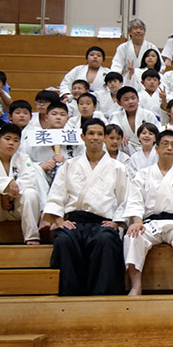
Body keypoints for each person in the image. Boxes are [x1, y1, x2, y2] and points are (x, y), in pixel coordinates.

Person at [43, 118, 128, 296]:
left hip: (102, 223)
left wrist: (117, 222)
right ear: (83, 136)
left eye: (99, 134)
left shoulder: (118, 167)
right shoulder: (69, 165)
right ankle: (69, 295)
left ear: (105, 138)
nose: (95, 138)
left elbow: (125, 199)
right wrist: (59, 220)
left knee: (106, 241)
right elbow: (57, 194)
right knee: (64, 241)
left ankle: (102, 296)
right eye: (91, 133)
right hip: (74, 221)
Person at [122, 130, 173, 295]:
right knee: (132, 236)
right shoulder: (142, 175)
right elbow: (135, 200)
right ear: (156, 148)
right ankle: (136, 286)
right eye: (165, 144)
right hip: (149, 223)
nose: (169, 148)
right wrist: (137, 221)